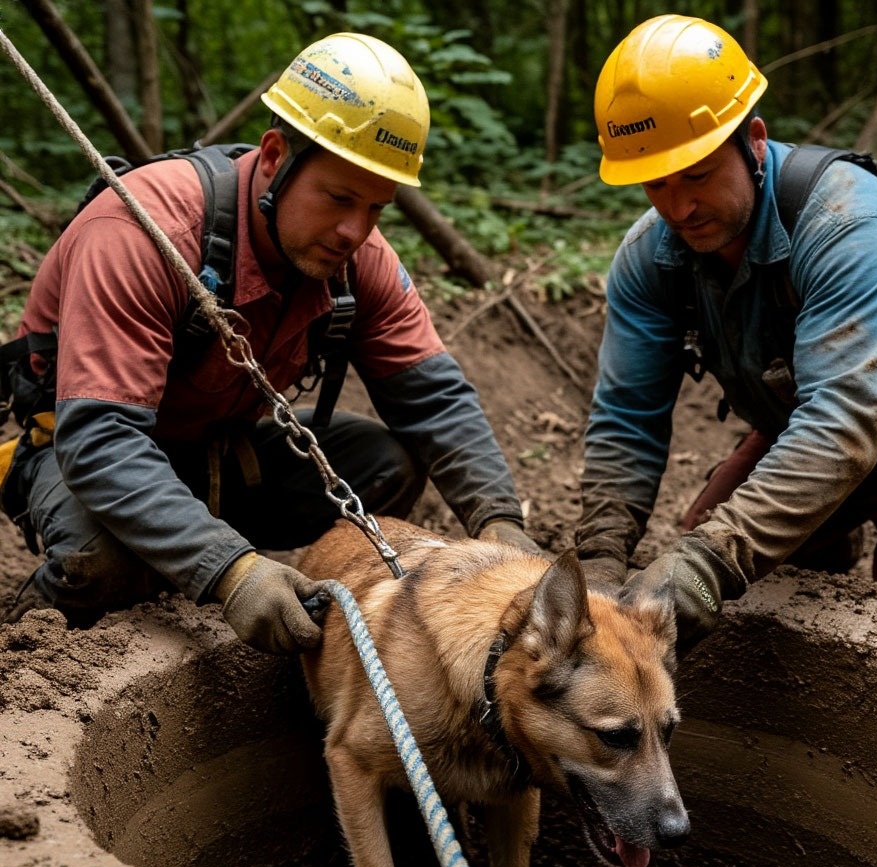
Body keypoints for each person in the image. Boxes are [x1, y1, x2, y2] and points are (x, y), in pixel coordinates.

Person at [0, 32, 536, 653]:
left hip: (221, 455)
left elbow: (433, 397)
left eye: (376, 209)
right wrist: (232, 571)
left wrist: (501, 522)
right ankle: (30, 642)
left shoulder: (359, 258)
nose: (354, 231)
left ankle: (193, 547)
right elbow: (101, 439)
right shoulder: (143, 234)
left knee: (388, 464)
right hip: (84, 450)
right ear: (276, 156)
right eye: (338, 198)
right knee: (103, 565)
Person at [575, 14, 877, 648]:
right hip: (805, 426)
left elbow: (843, 423)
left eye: (698, 175)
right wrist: (599, 561)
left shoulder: (847, 222)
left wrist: (710, 561)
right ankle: (828, 546)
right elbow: (627, 417)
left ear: (753, 140)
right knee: (695, 573)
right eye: (656, 183)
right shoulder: (652, 257)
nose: (678, 208)